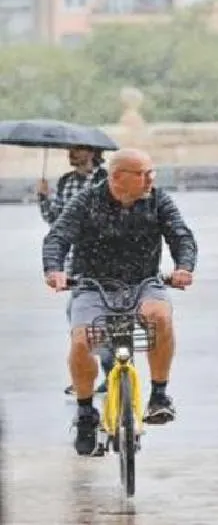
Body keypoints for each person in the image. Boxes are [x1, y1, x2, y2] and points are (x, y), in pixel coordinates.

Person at [41, 148, 197, 456]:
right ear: (116, 177)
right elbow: (58, 237)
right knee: (83, 341)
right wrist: (54, 271)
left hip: (143, 282)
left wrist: (183, 267)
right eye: (142, 174)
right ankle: (85, 412)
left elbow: (181, 236)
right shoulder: (86, 200)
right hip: (93, 285)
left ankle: (160, 395)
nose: (150, 179)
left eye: (151, 172)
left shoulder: (158, 200)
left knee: (160, 316)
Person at [36, 146, 115, 396]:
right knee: (79, 320)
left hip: (107, 259)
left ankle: (113, 373)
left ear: (91, 152)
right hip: (76, 264)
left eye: (77, 149)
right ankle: (86, 375)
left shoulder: (106, 178)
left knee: (109, 320)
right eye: (70, 149)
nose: (71, 153)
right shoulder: (66, 181)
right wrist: (43, 197)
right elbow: (56, 220)